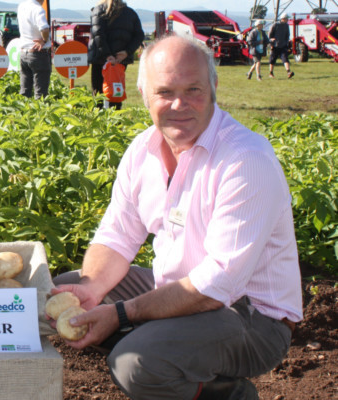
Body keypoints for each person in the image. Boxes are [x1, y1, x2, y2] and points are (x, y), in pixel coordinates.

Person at [50, 35, 302, 400]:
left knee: (136, 364)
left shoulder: (245, 160)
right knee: (72, 290)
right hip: (184, 291)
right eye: (165, 91)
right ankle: (183, 366)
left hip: (251, 317)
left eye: (194, 89)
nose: (180, 104)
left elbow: (218, 283)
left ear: (214, 87)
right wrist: (92, 289)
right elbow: (116, 236)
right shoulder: (143, 150)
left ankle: (229, 394)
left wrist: (122, 314)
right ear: (143, 93)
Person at [87, 0, 144, 109]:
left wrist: (108, 56)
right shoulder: (130, 13)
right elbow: (139, 35)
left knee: (98, 95)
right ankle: (116, 122)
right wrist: (127, 52)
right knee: (116, 92)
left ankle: (99, 122)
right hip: (120, 60)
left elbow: (98, 34)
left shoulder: (99, 10)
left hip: (100, 59)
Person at [17, 0, 52, 99]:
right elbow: (44, 28)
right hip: (38, 54)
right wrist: (44, 40)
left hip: (24, 53)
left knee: (24, 92)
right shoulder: (38, 9)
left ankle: (22, 112)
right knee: (41, 94)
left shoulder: (22, 6)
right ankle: (40, 113)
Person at [268, 13, 294, 78]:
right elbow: (270, 35)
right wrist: (271, 43)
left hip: (283, 46)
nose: (288, 20)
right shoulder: (275, 25)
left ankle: (288, 72)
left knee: (285, 59)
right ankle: (271, 73)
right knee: (272, 60)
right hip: (275, 46)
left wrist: (287, 44)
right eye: (287, 18)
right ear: (283, 19)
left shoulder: (286, 26)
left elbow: (287, 35)